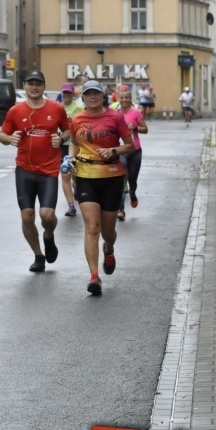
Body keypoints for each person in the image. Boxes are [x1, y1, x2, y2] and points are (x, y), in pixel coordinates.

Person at [65, 80, 135, 295]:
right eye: (88, 94)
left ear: (102, 96)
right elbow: (75, 143)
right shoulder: (77, 119)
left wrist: (114, 150)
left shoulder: (115, 117)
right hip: (86, 176)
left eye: (96, 93)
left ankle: (109, 248)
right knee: (92, 227)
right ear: (83, 98)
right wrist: (70, 159)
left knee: (108, 231)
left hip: (112, 176)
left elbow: (130, 144)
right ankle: (94, 276)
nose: (92, 97)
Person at [0, 70, 70, 272]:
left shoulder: (56, 109)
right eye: (30, 83)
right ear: (25, 86)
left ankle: (48, 235)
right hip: (24, 169)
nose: (34, 87)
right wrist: (9, 139)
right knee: (27, 216)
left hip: (48, 170)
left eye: (38, 83)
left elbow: (68, 129)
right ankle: (38, 256)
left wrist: (61, 138)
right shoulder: (15, 111)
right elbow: (1, 134)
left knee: (47, 216)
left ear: (44, 86)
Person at [116, 85, 148, 221]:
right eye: (122, 98)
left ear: (130, 99)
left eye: (127, 98)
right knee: (121, 180)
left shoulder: (136, 113)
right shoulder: (115, 113)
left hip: (135, 150)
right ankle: (121, 209)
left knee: (132, 179)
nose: (124, 100)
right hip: (121, 150)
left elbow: (145, 129)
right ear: (118, 99)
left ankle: (133, 192)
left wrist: (134, 127)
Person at [58, 82, 84, 217]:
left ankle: (77, 188)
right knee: (65, 173)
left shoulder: (79, 108)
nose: (66, 95)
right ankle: (71, 206)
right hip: (61, 145)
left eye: (69, 93)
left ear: (72, 94)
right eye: (64, 93)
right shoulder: (57, 108)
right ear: (61, 93)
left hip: (75, 145)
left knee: (76, 174)